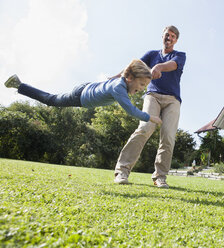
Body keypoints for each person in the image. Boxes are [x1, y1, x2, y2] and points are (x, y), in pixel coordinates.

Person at [113, 25, 186, 188]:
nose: (170, 37)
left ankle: (160, 177)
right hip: (153, 96)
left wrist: (159, 67)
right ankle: (122, 171)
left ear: (176, 40)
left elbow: (173, 65)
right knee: (145, 128)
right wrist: (115, 78)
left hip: (172, 100)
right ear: (163, 36)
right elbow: (131, 68)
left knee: (168, 136)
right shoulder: (152, 55)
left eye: (173, 36)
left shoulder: (180, 55)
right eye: (167, 34)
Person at [3, 59, 162, 125]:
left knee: (52, 99)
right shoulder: (118, 88)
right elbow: (131, 110)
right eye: (141, 84)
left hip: (85, 89)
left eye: (144, 86)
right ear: (130, 78)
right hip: (80, 96)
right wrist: (151, 118)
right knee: (51, 100)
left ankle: (19, 85)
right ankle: (18, 84)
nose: (141, 89)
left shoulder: (120, 83)